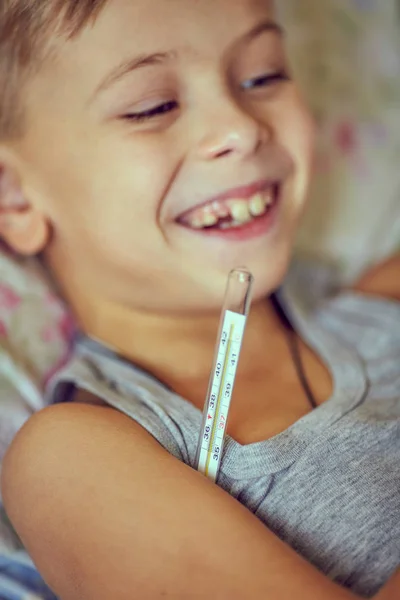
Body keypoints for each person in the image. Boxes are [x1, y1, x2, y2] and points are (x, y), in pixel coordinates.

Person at [0, 0, 399, 598]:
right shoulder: (74, 459)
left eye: (262, 76)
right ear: (14, 197)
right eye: (152, 107)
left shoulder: (374, 307)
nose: (240, 126)